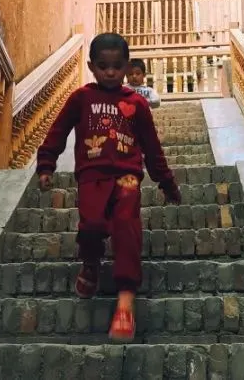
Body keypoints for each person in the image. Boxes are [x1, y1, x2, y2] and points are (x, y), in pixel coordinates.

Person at [35, 32, 181, 341]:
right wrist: (46, 164)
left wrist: (167, 183)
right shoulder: (81, 98)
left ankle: (125, 301)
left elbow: (152, 148)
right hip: (92, 176)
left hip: (128, 177)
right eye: (103, 66)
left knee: (126, 226)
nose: (111, 72)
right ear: (91, 66)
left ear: (127, 66)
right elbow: (58, 131)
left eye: (117, 66)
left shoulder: (137, 104)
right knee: (91, 225)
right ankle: (90, 263)